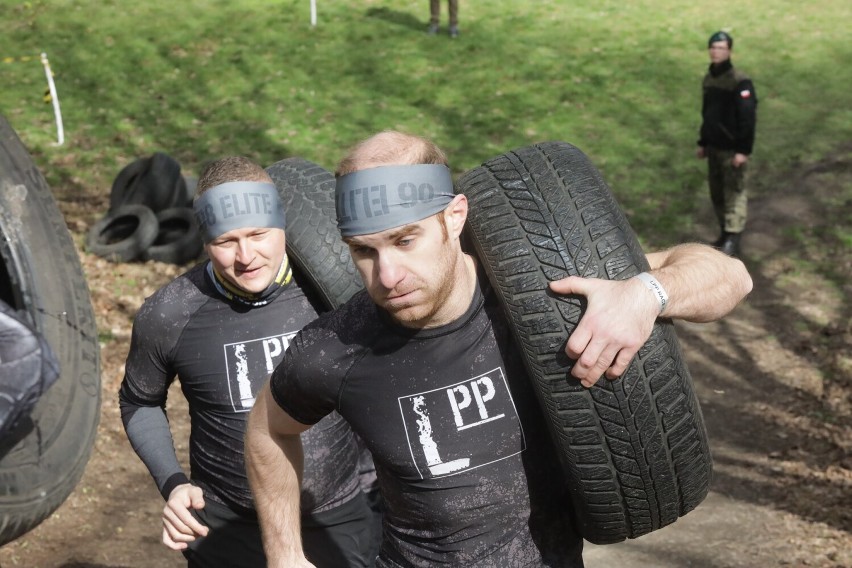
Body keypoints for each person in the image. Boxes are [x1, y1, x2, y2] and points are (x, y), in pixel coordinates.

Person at [245, 131, 753, 567]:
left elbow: (729, 277)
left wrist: (646, 294)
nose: (388, 276)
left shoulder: (545, 294)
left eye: (405, 241)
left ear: (454, 216)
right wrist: (285, 554)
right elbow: (268, 426)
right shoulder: (337, 347)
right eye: (364, 251)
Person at [118, 156, 374, 568]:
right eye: (226, 241)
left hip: (339, 515)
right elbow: (140, 400)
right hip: (227, 525)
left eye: (259, 234)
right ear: (205, 242)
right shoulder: (170, 313)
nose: (246, 256)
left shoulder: (334, 290)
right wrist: (173, 483)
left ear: (283, 226)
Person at [696, 30, 758, 257]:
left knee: (734, 193)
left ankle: (733, 238)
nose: (716, 52)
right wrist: (703, 142)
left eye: (721, 48)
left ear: (729, 51)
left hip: (732, 150)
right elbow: (707, 114)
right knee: (718, 193)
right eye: (713, 47)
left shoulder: (740, 81)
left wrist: (743, 150)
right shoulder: (710, 78)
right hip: (713, 147)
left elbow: (747, 117)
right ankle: (724, 232)